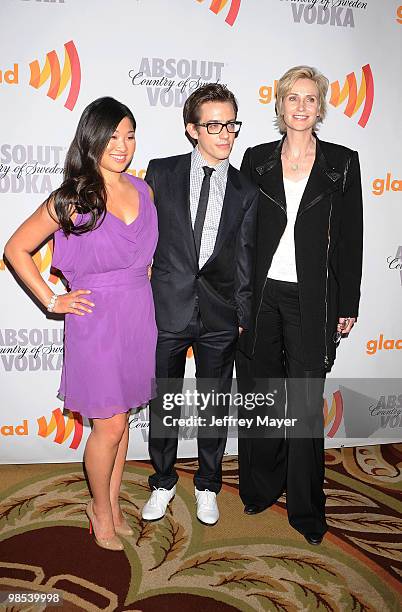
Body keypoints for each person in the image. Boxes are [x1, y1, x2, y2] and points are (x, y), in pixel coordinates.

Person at [4, 97, 158, 551]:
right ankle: (102, 509)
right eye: (112, 136)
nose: (122, 145)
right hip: (96, 320)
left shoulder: (144, 189)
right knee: (107, 427)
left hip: (137, 315)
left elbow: (144, 258)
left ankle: (108, 501)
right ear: (91, 139)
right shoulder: (73, 198)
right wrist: (52, 300)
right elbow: (16, 248)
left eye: (129, 135)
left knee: (122, 420)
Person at [236, 66, 363, 545]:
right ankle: (261, 487)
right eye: (293, 97)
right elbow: (242, 236)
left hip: (314, 298)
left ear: (322, 106)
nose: (302, 106)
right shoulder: (257, 159)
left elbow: (351, 240)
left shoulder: (341, 163)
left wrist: (347, 302)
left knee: (306, 404)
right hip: (263, 296)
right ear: (280, 104)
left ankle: (308, 509)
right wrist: (240, 297)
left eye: (311, 98)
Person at [141, 83, 258, 526]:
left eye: (231, 124)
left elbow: (245, 257)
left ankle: (208, 484)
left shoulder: (247, 189)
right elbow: (142, 239)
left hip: (219, 314)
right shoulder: (161, 172)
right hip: (166, 306)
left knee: (214, 403)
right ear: (192, 129)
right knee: (164, 400)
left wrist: (242, 317)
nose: (225, 134)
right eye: (214, 125)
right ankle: (163, 480)